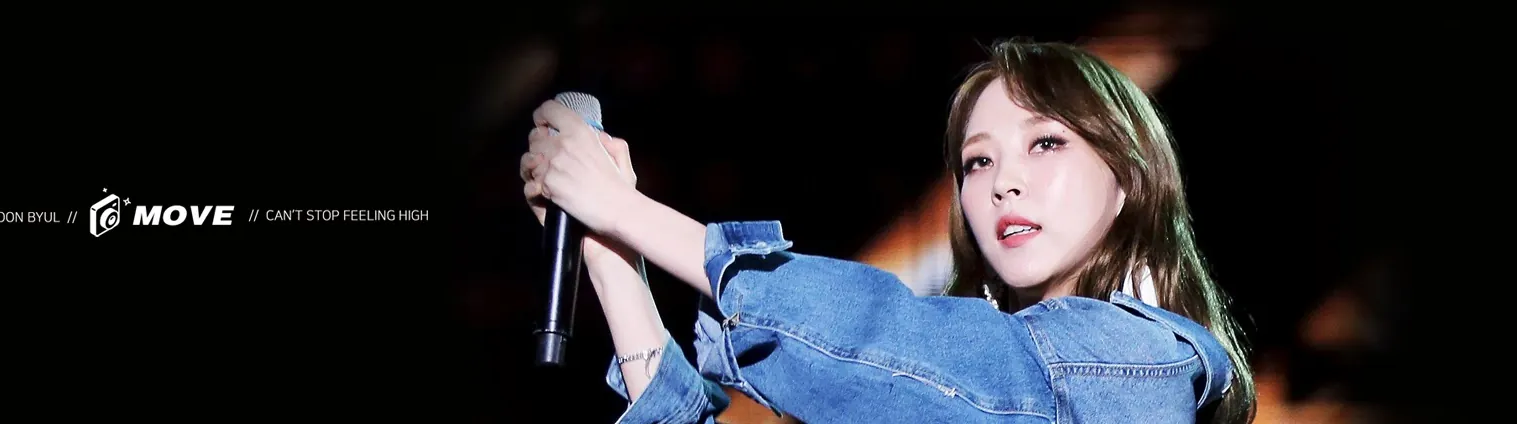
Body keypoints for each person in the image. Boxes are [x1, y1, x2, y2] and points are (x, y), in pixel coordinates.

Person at [519, 40, 1254, 423]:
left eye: (1045, 142)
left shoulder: (1143, 363)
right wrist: (609, 251)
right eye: (978, 160)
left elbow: (885, 337)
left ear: (1127, 178)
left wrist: (629, 211)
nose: (1003, 181)